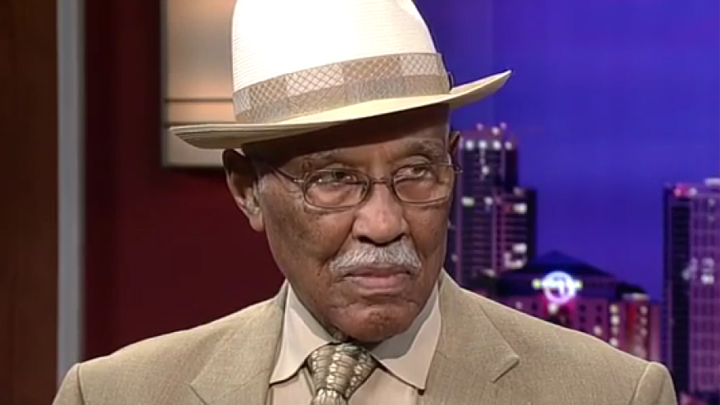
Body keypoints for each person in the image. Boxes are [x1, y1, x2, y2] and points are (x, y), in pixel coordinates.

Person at [53, 0, 678, 404]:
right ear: (248, 190)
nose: (384, 224)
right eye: (333, 180)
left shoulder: (611, 395)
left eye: (417, 171)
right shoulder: (114, 395)